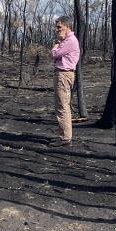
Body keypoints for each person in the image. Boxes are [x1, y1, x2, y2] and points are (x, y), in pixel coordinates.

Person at [50, 15, 80, 147]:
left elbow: (54, 55)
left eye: (59, 27)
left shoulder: (70, 41)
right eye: (56, 27)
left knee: (62, 107)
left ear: (67, 27)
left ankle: (65, 138)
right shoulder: (67, 40)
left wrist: (55, 45)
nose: (57, 30)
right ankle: (65, 136)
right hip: (63, 74)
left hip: (63, 75)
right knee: (62, 106)